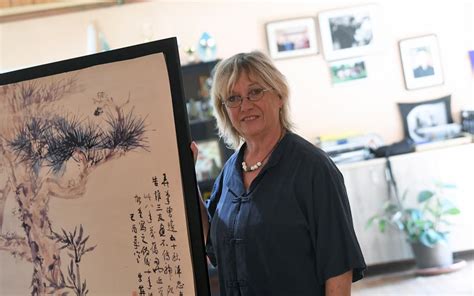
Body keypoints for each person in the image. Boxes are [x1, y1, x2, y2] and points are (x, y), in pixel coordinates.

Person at [192, 51, 366, 296]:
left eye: (255, 92)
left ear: (279, 95)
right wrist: (187, 181)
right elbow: (214, 245)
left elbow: (338, 267)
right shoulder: (230, 171)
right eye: (233, 98)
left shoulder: (314, 169)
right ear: (225, 110)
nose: (245, 105)